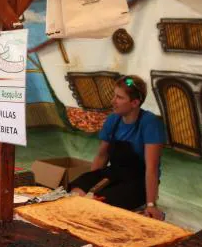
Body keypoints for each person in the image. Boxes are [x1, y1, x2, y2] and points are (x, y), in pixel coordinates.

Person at [66, 75, 166, 220]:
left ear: (135, 102)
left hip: (138, 181)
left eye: (119, 97)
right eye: (114, 95)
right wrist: (91, 184)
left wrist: (151, 204)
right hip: (114, 173)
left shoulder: (149, 123)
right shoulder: (113, 119)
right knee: (76, 190)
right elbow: (102, 156)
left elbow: (152, 168)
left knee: (101, 206)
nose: (113, 101)